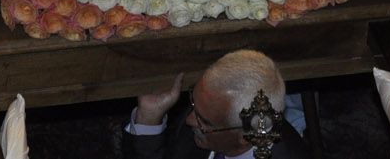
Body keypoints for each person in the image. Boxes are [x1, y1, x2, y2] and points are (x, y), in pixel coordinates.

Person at [124, 49, 310, 158]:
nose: (189, 120)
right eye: (193, 102)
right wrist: (149, 118)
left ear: (246, 137)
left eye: (203, 121)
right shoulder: (209, 112)